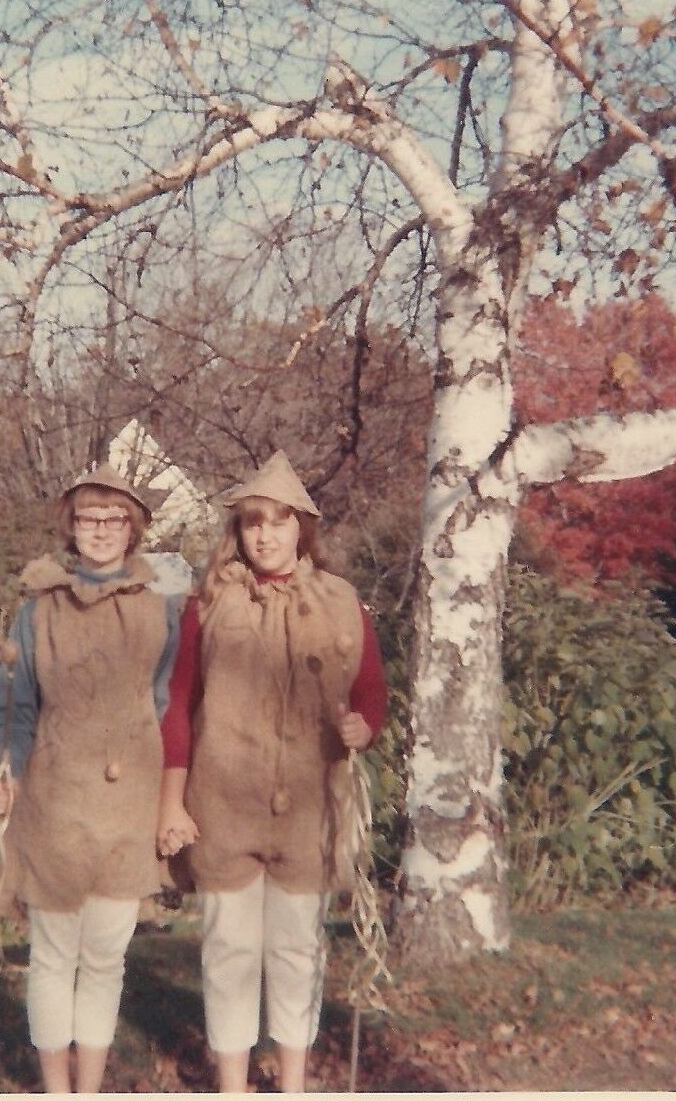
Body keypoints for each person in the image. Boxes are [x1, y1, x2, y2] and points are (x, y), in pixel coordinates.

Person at [157, 450, 387, 1093]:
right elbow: (178, 704)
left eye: (278, 522)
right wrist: (171, 802)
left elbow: (373, 692)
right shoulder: (206, 604)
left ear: (301, 529)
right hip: (223, 806)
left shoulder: (343, 603)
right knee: (229, 950)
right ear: (239, 529)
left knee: (295, 949)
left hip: (310, 810)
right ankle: (232, 1085)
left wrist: (362, 727)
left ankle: (291, 1084)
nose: (264, 534)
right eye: (253, 522)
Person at [0, 466, 181, 1094]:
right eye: (88, 519)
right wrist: (5, 774)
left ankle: (90, 1089)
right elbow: (16, 707)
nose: (100, 530)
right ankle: (55, 1090)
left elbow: (164, 702)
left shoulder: (160, 614)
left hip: (128, 803)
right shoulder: (37, 612)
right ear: (70, 528)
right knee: (52, 955)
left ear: (134, 531)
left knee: (104, 955)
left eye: (114, 519)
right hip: (54, 799)